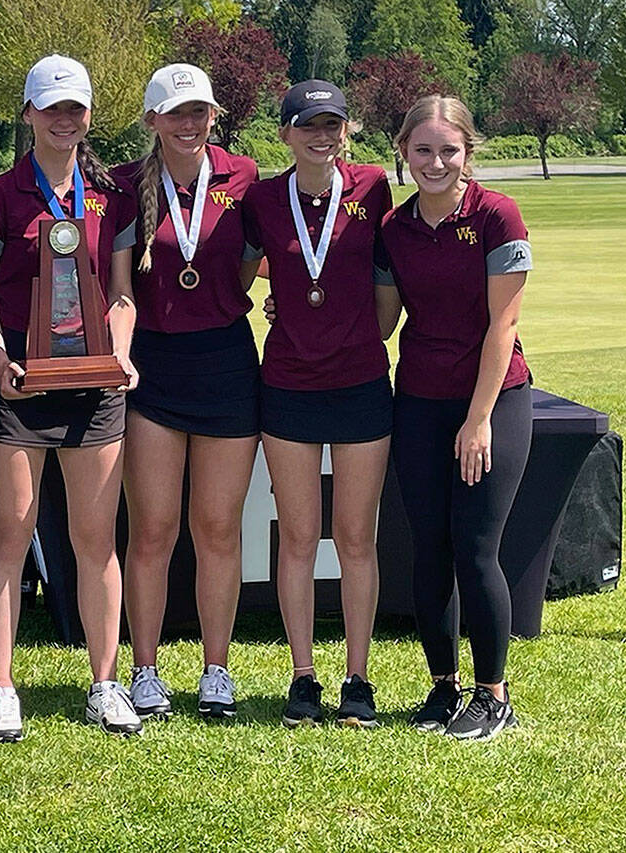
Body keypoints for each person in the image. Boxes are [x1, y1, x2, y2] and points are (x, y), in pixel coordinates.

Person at [0, 55, 141, 739]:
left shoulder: (111, 197)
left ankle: (105, 683)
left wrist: (120, 352)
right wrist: (0, 360)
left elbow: (121, 293)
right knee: (9, 536)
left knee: (96, 540)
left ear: (89, 115)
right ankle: (1, 687)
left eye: (75, 108)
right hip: (19, 384)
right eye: (51, 108)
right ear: (28, 113)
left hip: (95, 387)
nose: (64, 119)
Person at [240, 79, 397, 729]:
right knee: (300, 537)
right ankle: (303, 676)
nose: (322, 136)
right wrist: (278, 297)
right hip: (288, 384)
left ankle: (357, 677)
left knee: (356, 538)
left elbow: (386, 281)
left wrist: (366, 327)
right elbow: (242, 273)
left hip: (361, 382)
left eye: (333, 124)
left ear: (347, 130)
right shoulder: (262, 199)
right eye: (309, 125)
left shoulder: (373, 186)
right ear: (285, 134)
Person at [380, 95, 533, 741]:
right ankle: (443, 686)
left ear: (469, 152)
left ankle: (493, 695)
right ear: (403, 152)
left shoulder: (497, 214)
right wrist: (301, 302)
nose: (435, 162)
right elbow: (382, 322)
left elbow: (505, 323)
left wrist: (478, 419)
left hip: (494, 402)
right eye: (423, 150)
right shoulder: (393, 227)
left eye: (448, 150)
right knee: (430, 549)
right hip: (418, 400)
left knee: (474, 549)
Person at [111, 64, 260, 720]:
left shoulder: (243, 175)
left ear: (213, 116)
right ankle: (144, 670)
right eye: (176, 113)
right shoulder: (124, 184)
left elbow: (255, 260)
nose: (189, 123)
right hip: (153, 369)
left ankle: (216, 669)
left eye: (199, 111)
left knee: (218, 528)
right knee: (153, 529)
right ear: (152, 121)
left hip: (227, 364)